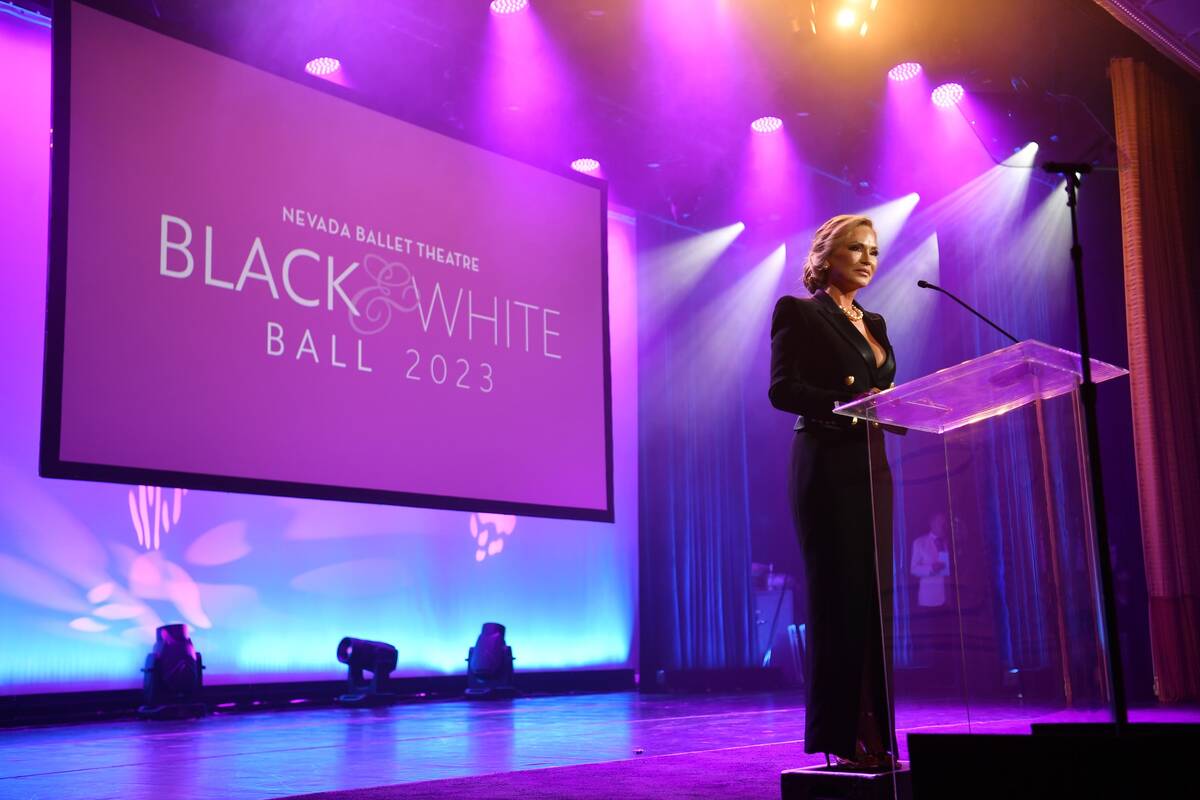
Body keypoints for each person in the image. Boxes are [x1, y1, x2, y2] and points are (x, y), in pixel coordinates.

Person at [768, 214, 898, 770]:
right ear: (826, 256)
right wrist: (844, 406)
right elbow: (782, 389)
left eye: (873, 250)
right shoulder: (798, 312)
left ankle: (876, 732)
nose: (867, 258)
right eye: (855, 249)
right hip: (825, 459)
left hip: (871, 462)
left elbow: (885, 386)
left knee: (873, 599)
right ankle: (841, 739)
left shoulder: (876, 321)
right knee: (837, 598)